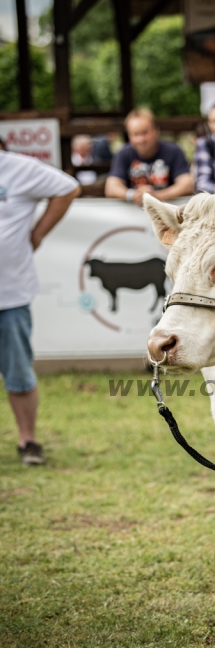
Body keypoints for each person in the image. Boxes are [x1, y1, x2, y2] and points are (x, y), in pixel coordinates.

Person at [0, 150, 80, 465]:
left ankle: (28, 441)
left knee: (18, 372)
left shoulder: (18, 167)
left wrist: (38, 232)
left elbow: (68, 187)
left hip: (10, 295)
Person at [105, 108, 194, 206]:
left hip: (166, 211)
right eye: (135, 134)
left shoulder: (173, 151)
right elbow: (111, 187)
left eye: (144, 133)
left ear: (156, 130)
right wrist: (132, 195)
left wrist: (157, 196)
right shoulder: (123, 153)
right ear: (129, 136)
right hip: (133, 213)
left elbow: (187, 184)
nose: (140, 139)